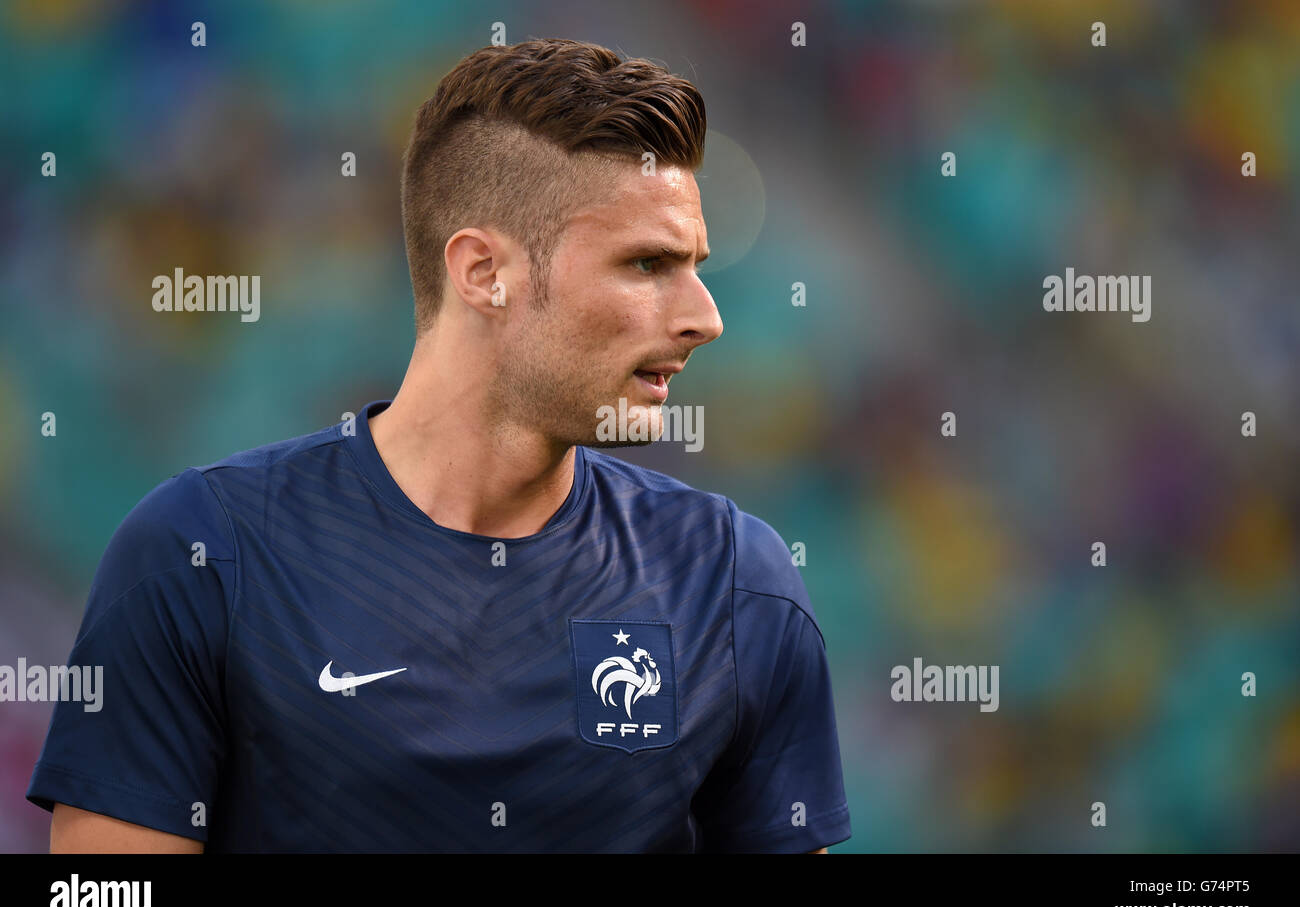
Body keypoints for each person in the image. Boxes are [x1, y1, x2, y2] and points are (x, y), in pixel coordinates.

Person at [27, 37, 851, 853]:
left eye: (696, 266)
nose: (704, 317)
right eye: (646, 264)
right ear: (484, 272)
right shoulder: (202, 557)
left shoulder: (734, 584)